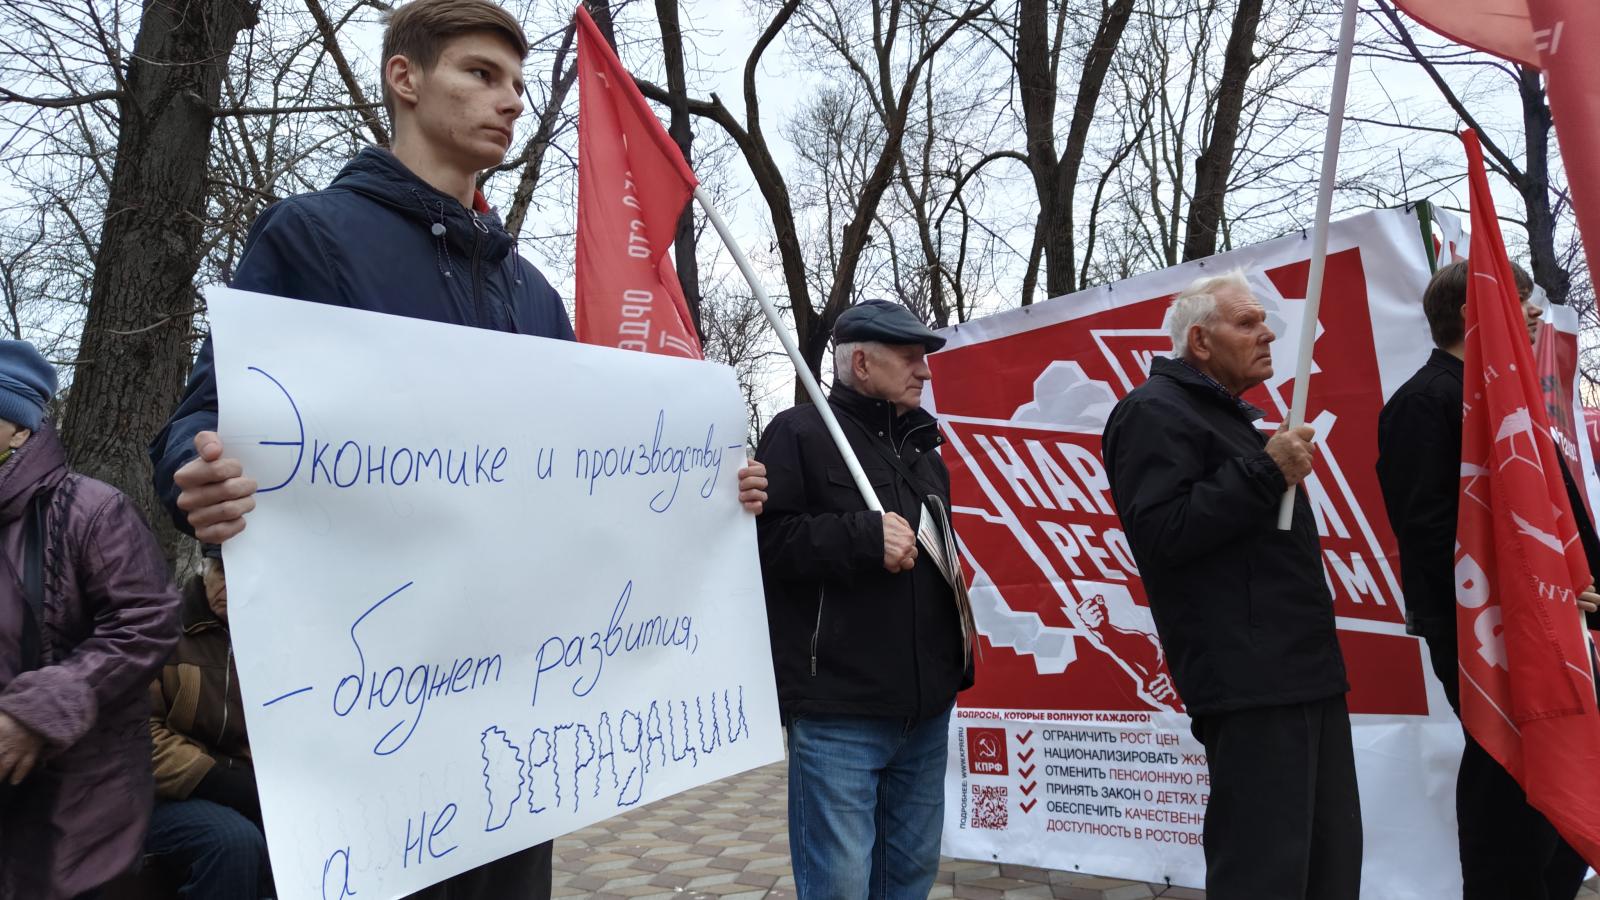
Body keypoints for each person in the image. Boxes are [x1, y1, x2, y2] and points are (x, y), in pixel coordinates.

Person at [147, 1, 766, 896]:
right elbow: (206, 413)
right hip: (374, 700)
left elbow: (589, 474)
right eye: (481, 74)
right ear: (405, 78)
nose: (511, 100)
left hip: (517, 703)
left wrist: (710, 494)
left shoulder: (531, 291)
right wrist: (195, 474)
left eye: (517, 82)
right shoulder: (313, 237)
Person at [1102, 270, 1360, 899]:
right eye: (1247, 322)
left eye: (1264, 321)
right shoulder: (1151, 412)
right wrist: (1265, 471)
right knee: (1265, 869)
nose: (1267, 332)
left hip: (1303, 671)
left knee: (1329, 861)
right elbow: (1162, 533)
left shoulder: (1230, 418)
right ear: (1200, 340)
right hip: (1250, 681)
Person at [1376, 259, 1599, 899]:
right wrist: (1533, 593)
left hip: (1547, 619)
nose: (1535, 312)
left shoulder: (1504, 395)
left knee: (1560, 763)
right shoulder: (1426, 402)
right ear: (1473, 312)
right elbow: (1429, 534)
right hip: (1486, 631)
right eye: (1520, 299)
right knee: (1506, 771)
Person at [755, 299, 972, 899]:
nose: (924, 371)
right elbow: (764, 545)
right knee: (841, 886)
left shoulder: (926, 456)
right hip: (840, 713)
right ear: (861, 364)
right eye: (910, 357)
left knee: (908, 879)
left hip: (926, 712)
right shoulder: (799, 434)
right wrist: (861, 538)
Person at [0, 340, 181, 900]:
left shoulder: (92, 509)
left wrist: (40, 709)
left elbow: (148, 621)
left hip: (72, 804)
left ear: (19, 430)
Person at [145, 544, 271, 899]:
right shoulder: (161, 629)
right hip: (166, 796)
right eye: (222, 571)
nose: (231, 585)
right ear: (205, 572)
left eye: (243, 574)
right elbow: (138, 735)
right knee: (234, 842)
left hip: (260, 791)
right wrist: (217, 780)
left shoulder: (279, 637)